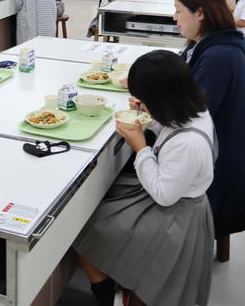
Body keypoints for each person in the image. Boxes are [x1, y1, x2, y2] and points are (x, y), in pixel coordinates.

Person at [74, 50, 215, 306]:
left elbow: (164, 195)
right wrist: (148, 120)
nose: (143, 104)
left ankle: (107, 291)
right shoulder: (194, 112)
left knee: (88, 223)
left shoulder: (189, 144)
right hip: (175, 194)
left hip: (177, 210)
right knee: (100, 207)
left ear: (162, 99)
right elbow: (170, 132)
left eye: (146, 100)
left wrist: (140, 146)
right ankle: (114, 284)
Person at [172, 0, 245, 248]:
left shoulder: (218, 56)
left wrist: (151, 103)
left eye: (178, 11)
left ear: (200, 13)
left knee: (135, 155)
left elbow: (189, 113)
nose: (174, 18)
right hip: (215, 151)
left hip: (218, 171)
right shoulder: (209, 44)